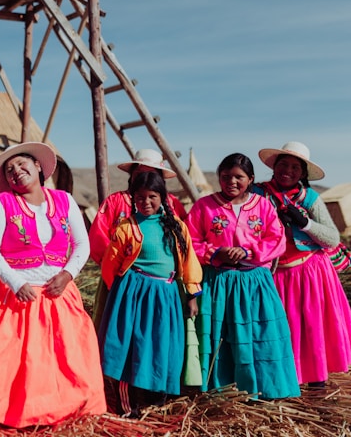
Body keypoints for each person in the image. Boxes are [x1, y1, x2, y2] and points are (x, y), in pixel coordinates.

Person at [0, 142, 106, 427]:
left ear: (38, 167)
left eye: (22, 165)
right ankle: (12, 411)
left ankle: (64, 409)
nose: (16, 172)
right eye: (9, 171)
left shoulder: (65, 201)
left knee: (64, 355)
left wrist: (68, 274)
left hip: (58, 292)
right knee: (16, 359)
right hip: (15, 294)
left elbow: (81, 243)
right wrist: (16, 282)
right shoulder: (3, 204)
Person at [185, 153, 300, 399]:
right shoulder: (204, 206)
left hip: (254, 283)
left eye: (239, 177)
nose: (232, 182)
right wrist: (217, 252)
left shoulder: (263, 205)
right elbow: (191, 241)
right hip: (219, 282)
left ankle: (265, 389)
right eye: (226, 177)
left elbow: (276, 240)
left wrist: (248, 251)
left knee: (259, 334)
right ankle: (223, 391)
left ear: (251, 179)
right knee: (222, 336)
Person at [97, 170, 203, 416]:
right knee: (132, 345)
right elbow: (110, 265)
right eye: (140, 197)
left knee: (162, 345)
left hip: (166, 295)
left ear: (162, 197)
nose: (146, 202)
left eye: (152, 197)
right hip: (134, 295)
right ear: (133, 198)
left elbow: (188, 261)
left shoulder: (176, 226)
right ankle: (128, 404)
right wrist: (122, 294)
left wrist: (191, 294)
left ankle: (157, 400)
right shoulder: (127, 227)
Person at [253, 141, 351, 388]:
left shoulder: (310, 199)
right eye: (283, 164)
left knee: (311, 326)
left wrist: (304, 222)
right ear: (274, 167)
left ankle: (317, 381)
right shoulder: (257, 194)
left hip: (309, 272)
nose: (288, 170)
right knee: (281, 327)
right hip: (275, 274)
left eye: (295, 167)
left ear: (303, 173)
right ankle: (283, 380)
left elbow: (331, 237)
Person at [88, 149, 188, 328]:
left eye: (151, 174)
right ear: (132, 175)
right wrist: (117, 269)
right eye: (140, 173)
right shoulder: (115, 201)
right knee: (117, 324)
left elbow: (183, 241)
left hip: (160, 283)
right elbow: (98, 236)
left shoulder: (171, 204)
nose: (145, 178)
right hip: (118, 277)